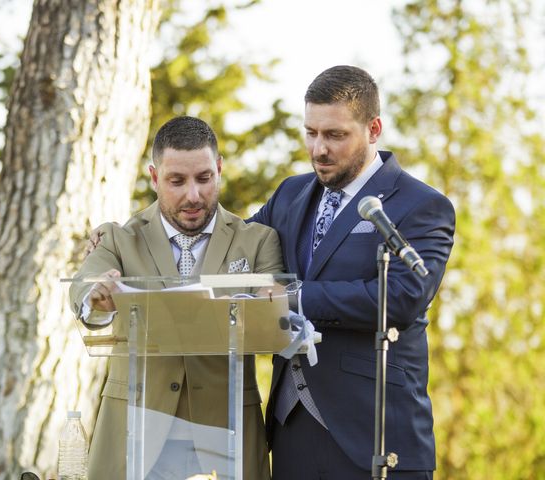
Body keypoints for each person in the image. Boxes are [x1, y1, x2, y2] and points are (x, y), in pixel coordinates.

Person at [248, 65, 456, 479]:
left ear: (373, 128)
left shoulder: (420, 205)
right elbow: (234, 246)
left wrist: (294, 296)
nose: (318, 149)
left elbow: (401, 295)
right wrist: (123, 242)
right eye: (311, 133)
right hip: (292, 430)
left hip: (376, 435)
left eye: (335, 135)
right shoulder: (290, 193)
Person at [69, 116, 283, 479]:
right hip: (136, 436)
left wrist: (271, 303)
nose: (193, 195)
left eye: (204, 178)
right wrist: (97, 297)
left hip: (226, 435)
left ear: (218, 170)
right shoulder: (119, 239)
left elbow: (275, 319)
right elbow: (84, 286)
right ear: (154, 177)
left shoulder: (258, 240)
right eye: (176, 181)